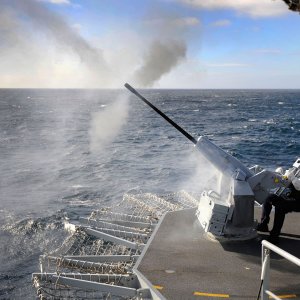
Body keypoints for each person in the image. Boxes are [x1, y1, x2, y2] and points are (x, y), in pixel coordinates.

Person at [257, 158, 300, 244]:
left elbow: (298, 186)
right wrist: (284, 175)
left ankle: (274, 236)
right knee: (268, 197)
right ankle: (263, 224)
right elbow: (290, 175)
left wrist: (292, 178)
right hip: (291, 192)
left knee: (280, 206)